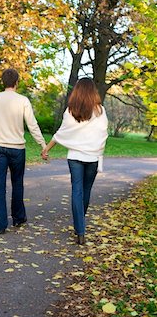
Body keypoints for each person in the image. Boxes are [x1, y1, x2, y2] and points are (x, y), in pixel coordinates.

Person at [41, 78, 108, 245]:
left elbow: (61, 133)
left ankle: (80, 229)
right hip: (92, 156)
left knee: (77, 191)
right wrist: (97, 150)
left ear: (77, 91)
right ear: (93, 92)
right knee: (86, 191)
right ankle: (80, 227)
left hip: (75, 157)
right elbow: (103, 133)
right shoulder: (100, 111)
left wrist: (47, 149)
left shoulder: (71, 110)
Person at [0, 68, 46, 234]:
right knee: (17, 182)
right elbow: (32, 125)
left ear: (2, 82)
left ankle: (1, 224)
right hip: (17, 148)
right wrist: (42, 145)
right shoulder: (23, 100)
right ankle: (18, 218)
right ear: (17, 82)